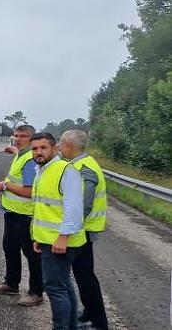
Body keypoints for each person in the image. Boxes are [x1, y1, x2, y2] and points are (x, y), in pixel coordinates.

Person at [30, 132, 86, 330]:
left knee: (55, 288)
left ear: (55, 148)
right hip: (49, 240)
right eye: (35, 149)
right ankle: (71, 327)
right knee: (63, 286)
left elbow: (74, 208)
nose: (38, 152)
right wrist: (39, 238)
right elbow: (45, 209)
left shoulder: (65, 170)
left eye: (43, 148)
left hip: (60, 241)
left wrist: (63, 236)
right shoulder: (42, 171)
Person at [0, 125, 44, 306]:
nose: (18, 139)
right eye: (16, 135)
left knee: (31, 254)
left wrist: (5, 186)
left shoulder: (29, 160)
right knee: (10, 248)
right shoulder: (21, 154)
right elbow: (18, 155)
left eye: (23, 136)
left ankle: (36, 292)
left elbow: (29, 191)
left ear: (32, 138)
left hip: (25, 215)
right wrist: (13, 150)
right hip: (12, 212)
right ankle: (11, 284)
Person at [59, 130, 108, 330]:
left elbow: (83, 205)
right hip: (82, 229)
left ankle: (98, 322)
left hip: (83, 231)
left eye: (61, 145)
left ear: (69, 146)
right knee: (82, 275)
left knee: (85, 276)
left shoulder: (84, 169)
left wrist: (67, 231)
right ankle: (90, 311)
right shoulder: (79, 164)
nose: (59, 148)